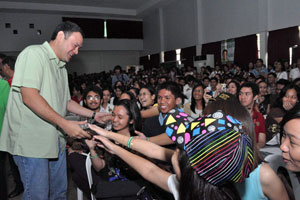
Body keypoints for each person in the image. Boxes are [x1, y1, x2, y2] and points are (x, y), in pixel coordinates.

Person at [0, 21, 108, 200]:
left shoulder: (61, 68)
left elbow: (66, 102)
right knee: (38, 195)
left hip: (54, 139)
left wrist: (95, 114)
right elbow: (29, 95)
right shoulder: (34, 54)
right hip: (32, 143)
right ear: (60, 36)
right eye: (75, 45)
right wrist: (65, 124)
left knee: (59, 193)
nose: (76, 52)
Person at [91, 109, 254, 200]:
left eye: (182, 145)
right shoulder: (198, 184)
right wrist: (111, 139)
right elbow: (151, 163)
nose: (176, 147)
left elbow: (152, 166)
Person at [239, 82, 266, 148]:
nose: (243, 97)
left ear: (255, 97)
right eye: (240, 94)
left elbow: (261, 141)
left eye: (247, 94)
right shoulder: (233, 115)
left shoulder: (259, 117)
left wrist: (252, 149)